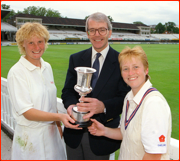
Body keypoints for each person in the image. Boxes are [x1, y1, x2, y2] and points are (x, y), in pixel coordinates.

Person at [7, 22, 81, 160]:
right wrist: (59, 118)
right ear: (23, 44)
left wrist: (58, 127)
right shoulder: (17, 72)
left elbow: (51, 102)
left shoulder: (47, 67)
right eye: (31, 43)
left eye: (40, 41)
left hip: (52, 135)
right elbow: (27, 112)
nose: (37, 47)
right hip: (30, 138)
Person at [61, 12, 130, 160]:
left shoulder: (121, 61)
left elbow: (125, 98)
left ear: (109, 32)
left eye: (102, 30)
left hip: (102, 137)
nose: (97, 34)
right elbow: (67, 91)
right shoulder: (76, 58)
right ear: (87, 33)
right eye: (92, 30)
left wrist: (103, 106)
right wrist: (71, 107)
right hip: (74, 134)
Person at [88, 46, 172, 160]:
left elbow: (153, 155)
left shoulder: (153, 103)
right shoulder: (129, 97)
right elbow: (125, 133)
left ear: (146, 69)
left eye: (136, 67)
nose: (130, 73)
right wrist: (104, 131)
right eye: (125, 69)